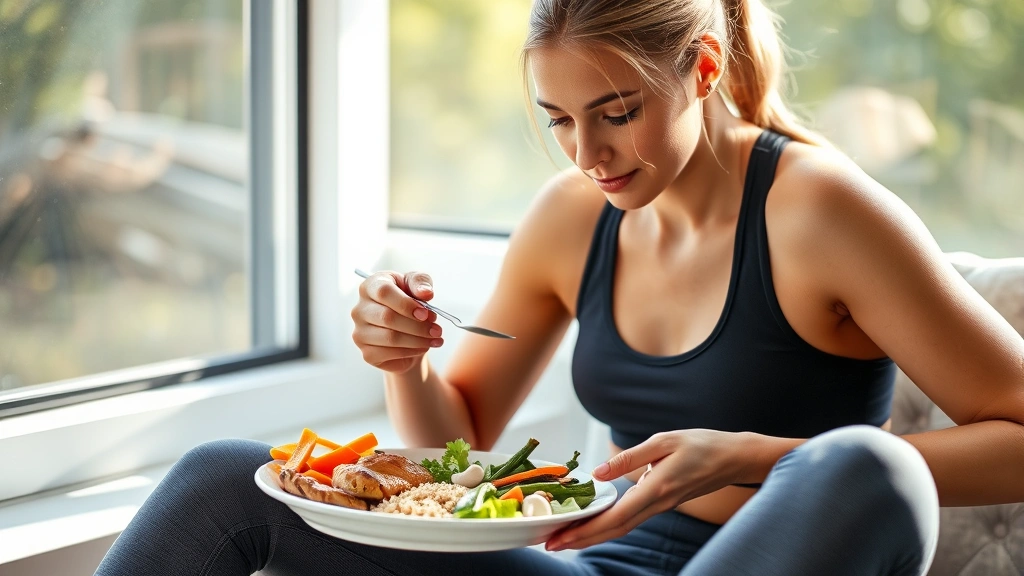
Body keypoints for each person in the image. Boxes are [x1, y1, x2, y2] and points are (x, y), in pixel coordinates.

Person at [94, 0, 1024, 574]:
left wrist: (755, 456)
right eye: (559, 121)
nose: (590, 155)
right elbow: (456, 446)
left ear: (701, 68)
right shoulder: (572, 214)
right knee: (225, 475)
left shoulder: (821, 210)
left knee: (868, 463)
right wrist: (405, 365)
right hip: (587, 566)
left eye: (617, 113)